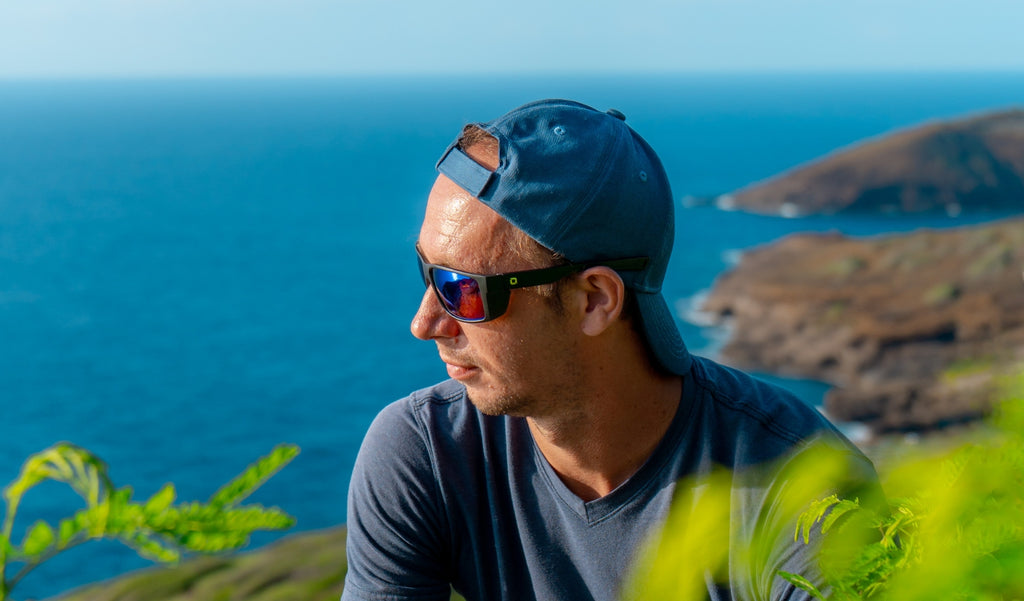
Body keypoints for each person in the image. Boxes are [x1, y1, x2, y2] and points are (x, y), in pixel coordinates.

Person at [341, 99, 881, 601]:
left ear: (595, 300)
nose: (424, 322)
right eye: (427, 272)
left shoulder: (811, 496)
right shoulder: (425, 454)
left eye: (463, 288)